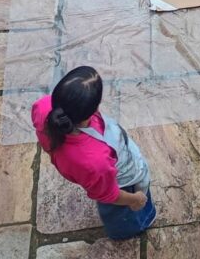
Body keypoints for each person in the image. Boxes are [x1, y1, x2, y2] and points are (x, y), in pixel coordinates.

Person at [32, 66, 156, 240]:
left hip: (95, 173)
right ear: (91, 110)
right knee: (121, 215)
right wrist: (134, 200)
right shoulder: (94, 161)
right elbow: (109, 194)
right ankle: (126, 231)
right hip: (120, 183)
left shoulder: (43, 106)